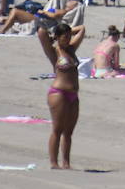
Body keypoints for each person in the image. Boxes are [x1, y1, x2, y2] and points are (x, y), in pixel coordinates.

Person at [38, 20, 86, 168]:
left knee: (69, 132)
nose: (67, 40)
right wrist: (54, 32)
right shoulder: (54, 52)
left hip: (73, 95)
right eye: (64, 37)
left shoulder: (71, 49)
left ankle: (66, 162)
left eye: (68, 36)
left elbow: (82, 29)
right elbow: (41, 32)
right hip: (58, 93)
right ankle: (54, 162)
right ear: (57, 37)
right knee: (57, 129)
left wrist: (68, 30)